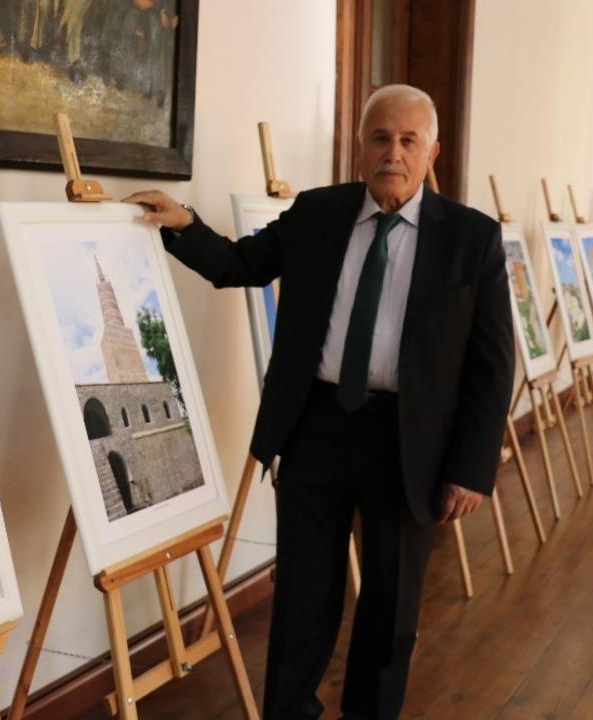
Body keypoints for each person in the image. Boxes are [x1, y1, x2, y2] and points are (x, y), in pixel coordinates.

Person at [125, 84, 514, 720]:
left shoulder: (471, 239)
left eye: (408, 140)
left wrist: (470, 467)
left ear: (432, 152)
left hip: (409, 441)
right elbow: (241, 264)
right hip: (318, 427)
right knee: (302, 597)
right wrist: (184, 224)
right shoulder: (318, 212)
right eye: (380, 137)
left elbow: (493, 365)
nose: (393, 153)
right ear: (359, 146)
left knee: (390, 607)